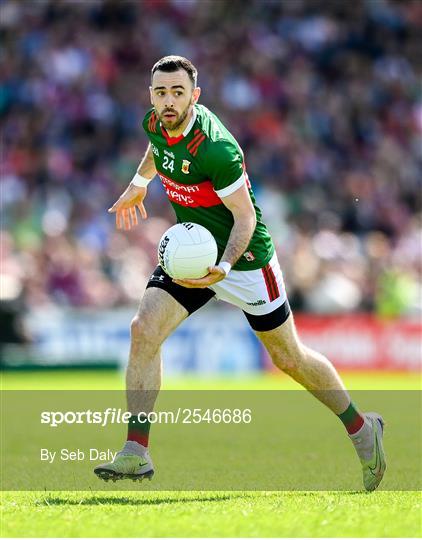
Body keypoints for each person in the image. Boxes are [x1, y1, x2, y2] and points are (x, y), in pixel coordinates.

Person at [94, 56, 386, 491]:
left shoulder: (217, 149)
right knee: (144, 330)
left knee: (289, 358)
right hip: (192, 252)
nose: (168, 101)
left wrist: (225, 266)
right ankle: (136, 451)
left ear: (196, 95)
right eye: (160, 92)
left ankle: (362, 428)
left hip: (246, 261)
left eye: (178, 93)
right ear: (151, 95)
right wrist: (139, 183)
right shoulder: (155, 123)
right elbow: (158, 150)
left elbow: (246, 219)